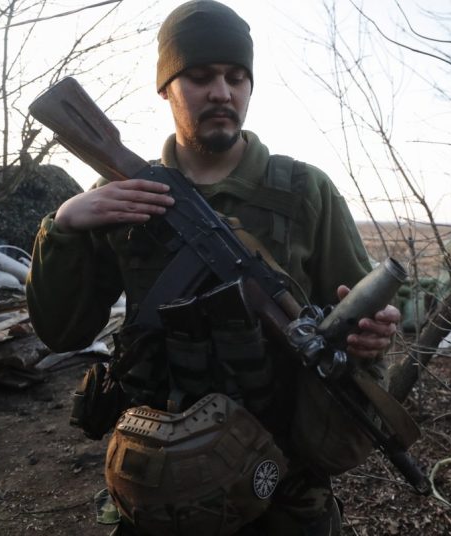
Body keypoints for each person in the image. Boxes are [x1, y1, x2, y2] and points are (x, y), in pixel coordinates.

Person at [26, 1, 400, 535]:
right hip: (156, 481)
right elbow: (62, 332)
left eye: (236, 77)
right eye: (200, 77)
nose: (222, 92)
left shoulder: (305, 191)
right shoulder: (122, 195)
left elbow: (353, 319)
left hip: (284, 487)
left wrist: (370, 334)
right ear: (166, 88)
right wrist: (63, 226)